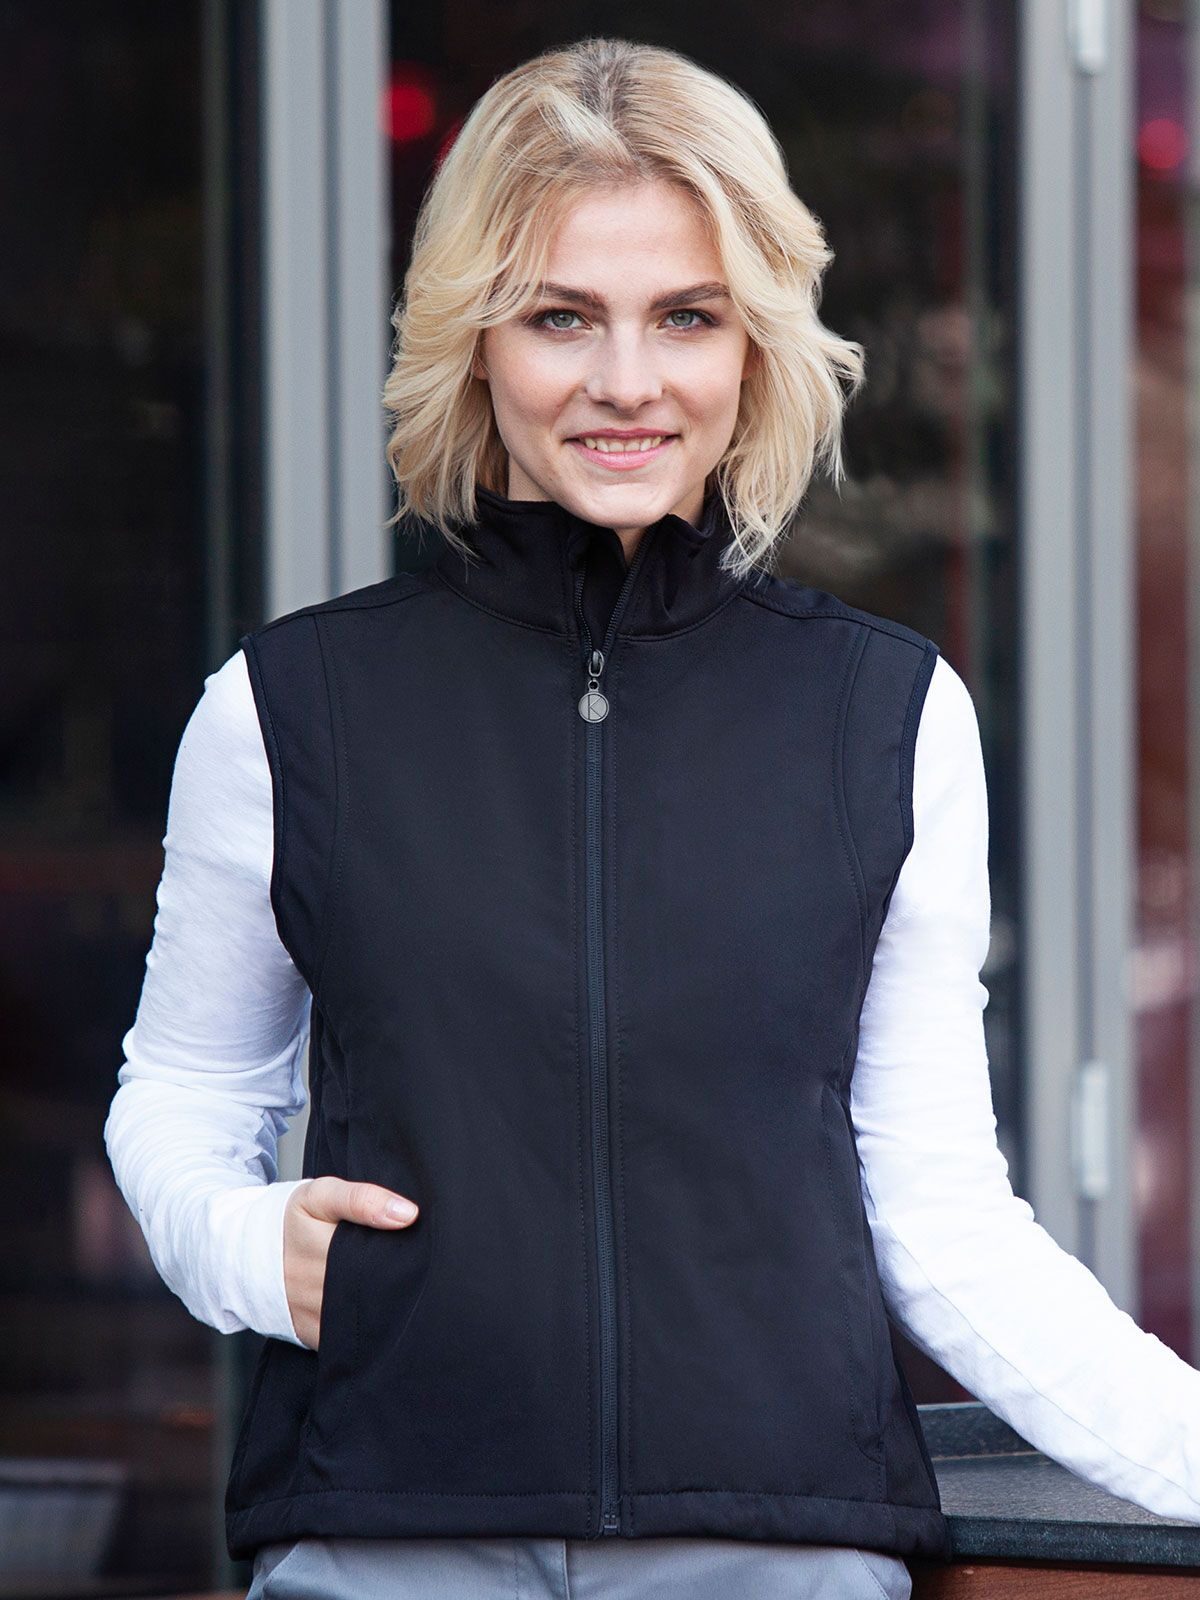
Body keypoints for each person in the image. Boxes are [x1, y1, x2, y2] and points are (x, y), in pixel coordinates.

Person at [104, 34, 1200, 1600]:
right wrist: (239, 1246)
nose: (627, 381)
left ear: (754, 343)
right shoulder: (288, 709)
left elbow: (942, 1220)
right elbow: (182, 1095)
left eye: (686, 316)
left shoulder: (885, 717)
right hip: (387, 1530)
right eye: (562, 316)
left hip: (779, 1542)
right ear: (475, 339)